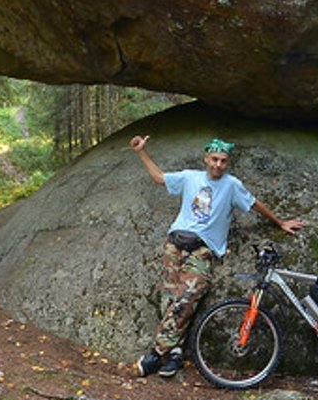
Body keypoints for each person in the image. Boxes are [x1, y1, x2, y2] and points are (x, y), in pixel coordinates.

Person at [129, 134, 304, 378]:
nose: (218, 165)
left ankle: (156, 354)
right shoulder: (190, 177)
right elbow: (159, 178)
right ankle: (176, 355)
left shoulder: (232, 185)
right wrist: (141, 152)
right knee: (169, 299)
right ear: (206, 158)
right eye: (214, 159)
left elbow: (254, 203)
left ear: (228, 163)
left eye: (223, 161)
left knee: (189, 295)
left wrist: (280, 222)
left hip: (203, 248)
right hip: (174, 243)